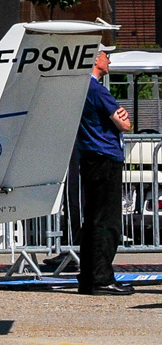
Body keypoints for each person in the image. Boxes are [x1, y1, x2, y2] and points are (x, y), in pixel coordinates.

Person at [76, 47, 133, 296]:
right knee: (106, 221)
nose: (109, 60)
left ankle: (88, 277)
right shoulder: (97, 90)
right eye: (105, 55)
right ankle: (101, 278)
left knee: (92, 220)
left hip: (89, 157)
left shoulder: (79, 90)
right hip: (105, 157)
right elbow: (125, 123)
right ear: (96, 59)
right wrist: (121, 119)